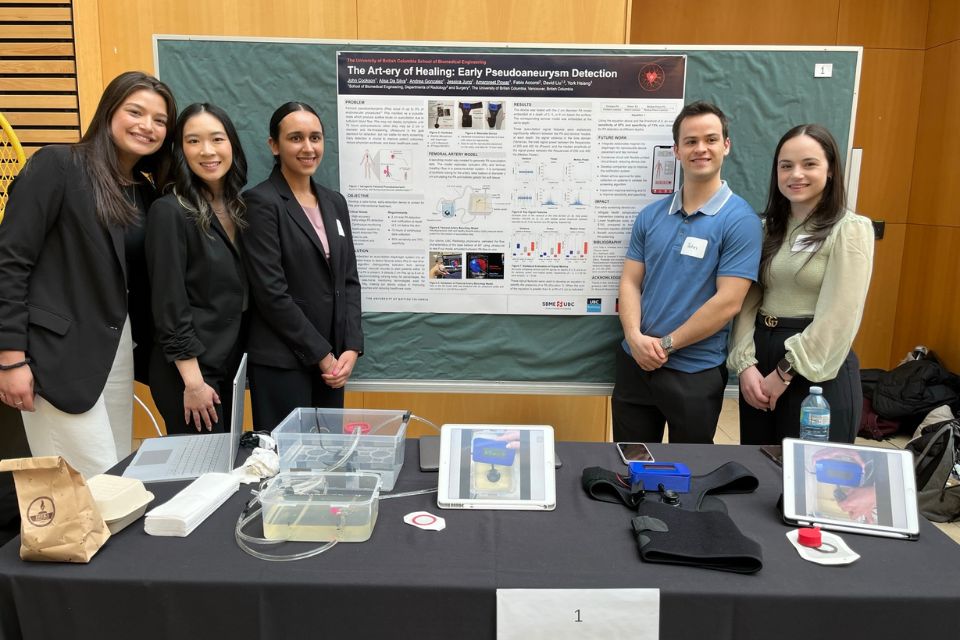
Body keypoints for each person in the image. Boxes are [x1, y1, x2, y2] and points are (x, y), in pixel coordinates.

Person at [0, 71, 176, 478]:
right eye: (136, 111)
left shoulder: (144, 191)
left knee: (113, 475)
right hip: (55, 357)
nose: (147, 126)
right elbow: (10, 261)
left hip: (115, 351)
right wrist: (10, 360)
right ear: (109, 111)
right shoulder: (59, 165)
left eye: (160, 119)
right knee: (89, 484)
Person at [612, 101, 762, 444]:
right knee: (631, 464)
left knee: (686, 474)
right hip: (635, 362)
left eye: (710, 139)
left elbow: (728, 302)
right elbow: (631, 281)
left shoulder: (740, 221)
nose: (701, 149)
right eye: (690, 141)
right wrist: (635, 338)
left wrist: (665, 345)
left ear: (726, 145)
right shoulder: (651, 216)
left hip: (695, 373)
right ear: (677, 151)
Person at [728, 124, 874, 444]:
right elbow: (747, 302)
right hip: (761, 362)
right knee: (763, 474)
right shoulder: (766, 229)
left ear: (831, 169)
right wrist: (746, 364)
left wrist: (784, 372)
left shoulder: (849, 229)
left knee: (813, 484)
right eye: (786, 166)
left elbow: (839, 316)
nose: (796, 174)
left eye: (809, 164)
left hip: (817, 368)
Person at [242, 102, 363, 429]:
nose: (308, 147)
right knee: (286, 468)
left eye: (315, 137)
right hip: (283, 362)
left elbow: (348, 280)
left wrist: (350, 346)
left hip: (332, 365)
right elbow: (271, 293)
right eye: (295, 138)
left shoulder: (334, 202)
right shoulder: (261, 202)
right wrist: (322, 354)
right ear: (274, 145)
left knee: (327, 461)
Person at [145, 103, 248, 434]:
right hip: (190, 374)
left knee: (226, 474)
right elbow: (169, 303)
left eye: (217, 139)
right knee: (201, 481)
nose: (207, 151)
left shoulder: (240, 208)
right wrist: (193, 382)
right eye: (193, 141)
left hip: (228, 366)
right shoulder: (169, 211)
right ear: (179, 151)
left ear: (231, 143)